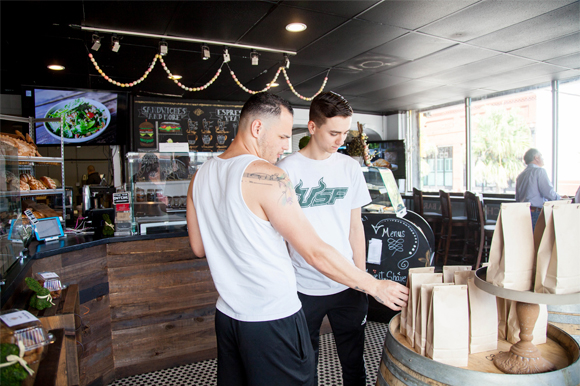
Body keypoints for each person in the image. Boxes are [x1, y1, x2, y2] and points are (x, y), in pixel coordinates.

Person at [186, 93, 408, 386]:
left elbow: (199, 248)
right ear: (256, 129)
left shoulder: (200, 175)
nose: (285, 146)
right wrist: (374, 285)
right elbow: (314, 251)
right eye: (281, 136)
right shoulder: (269, 176)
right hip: (273, 317)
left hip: (228, 317)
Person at [277, 91, 369, 386]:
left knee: (354, 362)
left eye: (344, 132)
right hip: (303, 287)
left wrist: (362, 277)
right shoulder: (286, 170)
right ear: (313, 127)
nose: (340, 140)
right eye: (333, 132)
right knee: (305, 364)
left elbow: (356, 226)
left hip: (348, 282)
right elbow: (280, 234)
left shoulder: (349, 167)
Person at [515, 148, 561, 229]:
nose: (542, 158)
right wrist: (560, 198)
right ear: (536, 158)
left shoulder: (521, 176)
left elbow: (517, 198)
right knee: (537, 241)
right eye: (541, 156)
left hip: (522, 213)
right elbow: (548, 193)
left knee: (526, 240)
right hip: (535, 214)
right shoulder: (539, 171)